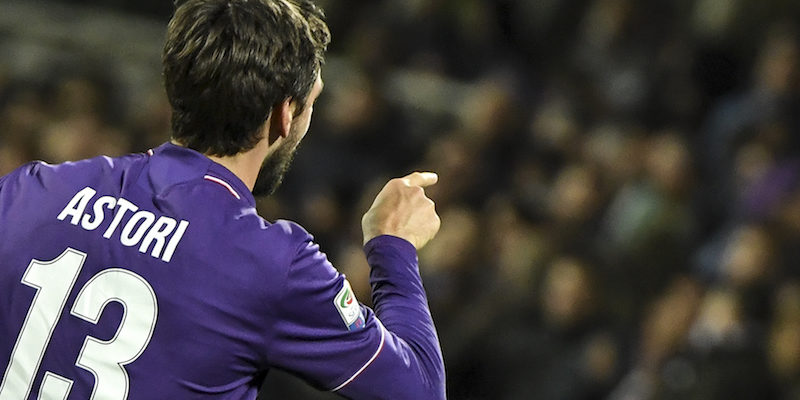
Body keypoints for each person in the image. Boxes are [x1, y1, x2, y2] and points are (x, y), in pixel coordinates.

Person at [0, 0, 446, 399]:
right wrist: (393, 244)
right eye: (312, 103)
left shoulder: (31, 189)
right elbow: (421, 388)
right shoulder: (273, 263)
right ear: (285, 114)